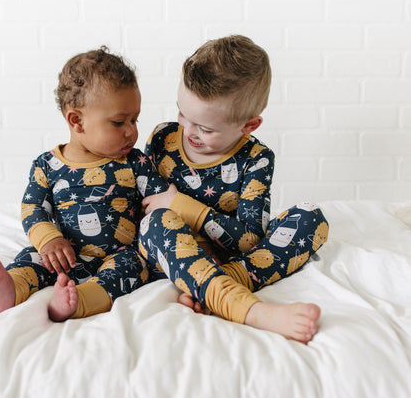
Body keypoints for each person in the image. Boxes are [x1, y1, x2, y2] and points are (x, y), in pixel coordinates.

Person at [138, 35, 329, 343]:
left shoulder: (256, 159)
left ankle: (220, 285)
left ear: (249, 125)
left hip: (230, 258)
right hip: (171, 252)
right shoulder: (163, 138)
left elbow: (250, 239)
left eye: (206, 128)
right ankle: (249, 309)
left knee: (311, 218)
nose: (187, 130)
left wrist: (182, 204)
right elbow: (147, 207)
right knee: (156, 223)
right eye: (182, 113)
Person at [0, 47, 168, 321]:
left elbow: (163, 202)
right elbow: (33, 209)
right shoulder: (47, 166)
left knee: (132, 267)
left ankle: (81, 301)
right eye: (119, 122)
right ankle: (10, 288)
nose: (131, 131)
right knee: (31, 257)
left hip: (119, 253)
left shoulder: (135, 163)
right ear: (77, 121)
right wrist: (49, 240)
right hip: (65, 254)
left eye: (135, 119)